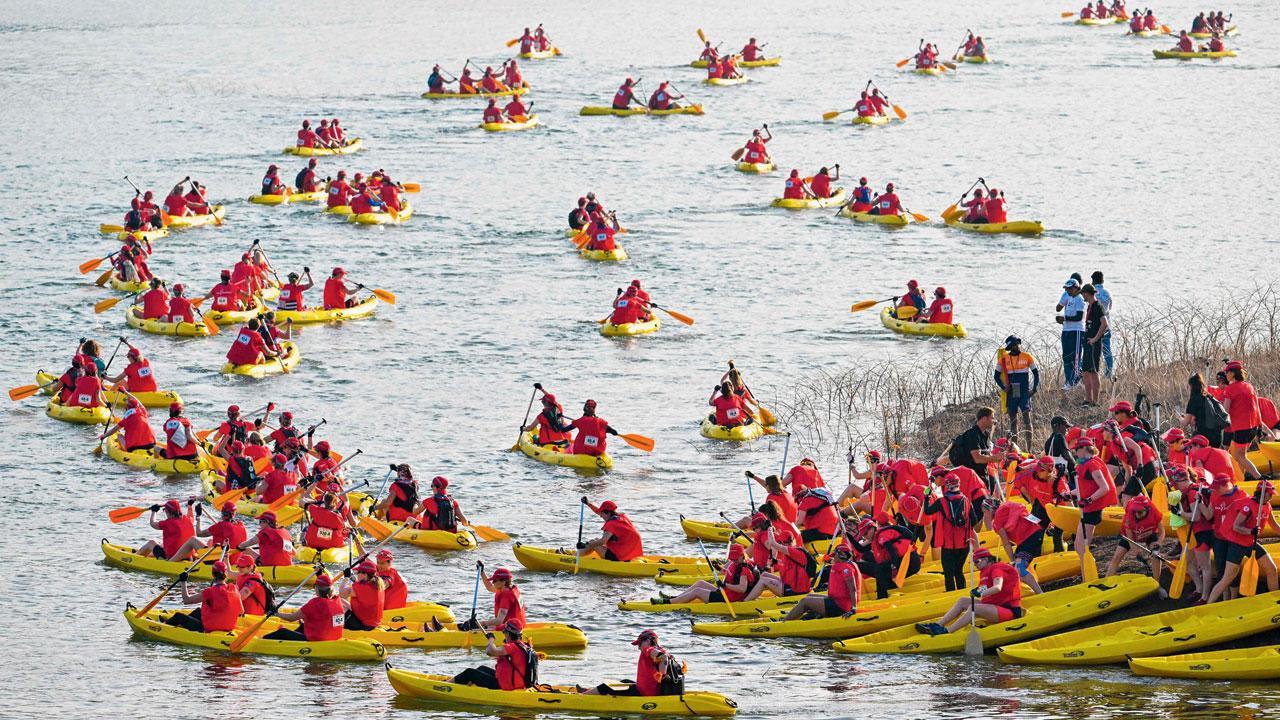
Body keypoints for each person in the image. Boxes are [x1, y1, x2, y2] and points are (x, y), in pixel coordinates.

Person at [915, 548, 1022, 635]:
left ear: (986, 559)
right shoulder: (985, 571)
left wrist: (980, 593)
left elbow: (997, 587)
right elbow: (985, 588)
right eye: (973, 562)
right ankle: (939, 625)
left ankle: (947, 631)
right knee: (962, 601)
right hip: (996, 605)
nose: (975, 565)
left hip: (1009, 610)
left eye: (977, 562)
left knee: (973, 608)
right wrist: (977, 590)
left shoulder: (997, 569)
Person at [580, 630, 680, 696]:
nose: (639, 647)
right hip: (652, 689)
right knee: (625, 681)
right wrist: (663, 675)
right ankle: (588, 690)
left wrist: (662, 674)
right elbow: (664, 658)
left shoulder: (647, 649)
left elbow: (663, 658)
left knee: (608, 686)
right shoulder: (664, 651)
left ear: (648, 641)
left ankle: (584, 696)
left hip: (644, 692)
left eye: (639, 644)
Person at [654, 543, 757, 606]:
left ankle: (668, 603)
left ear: (741, 556)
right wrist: (719, 568)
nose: (732, 560)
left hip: (728, 598)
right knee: (700, 583)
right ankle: (675, 598)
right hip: (725, 592)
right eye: (732, 558)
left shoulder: (744, 568)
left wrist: (726, 585)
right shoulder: (739, 562)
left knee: (697, 591)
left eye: (734, 558)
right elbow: (732, 575)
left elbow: (742, 588)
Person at [1071, 438, 1117, 577]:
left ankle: (1088, 575)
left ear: (1083, 449)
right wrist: (1068, 494)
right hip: (1087, 508)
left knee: (1081, 545)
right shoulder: (1085, 463)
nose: (1075, 453)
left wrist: (1088, 500)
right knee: (1079, 545)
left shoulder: (1092, 464)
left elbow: (1105, 488)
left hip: (1092, 510)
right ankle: (1086, 573)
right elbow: (1084, 487)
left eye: (1076, 450)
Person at [781, 542, 862, 621]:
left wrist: (853, 608)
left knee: (804, 602)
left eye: (834, 556)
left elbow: (853, 589)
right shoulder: (846, 564)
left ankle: (784, 622)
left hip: (840, 606)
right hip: (836, 601)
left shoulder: (846, 569)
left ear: (841, 555)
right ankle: (799, 616)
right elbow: (836, 562)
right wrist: (828, 560)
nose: (833, 558)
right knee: (809, 597)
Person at [161, 560, 244, 633]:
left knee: (178, 616)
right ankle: (181, 625)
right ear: (226, 574)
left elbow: (186, 600)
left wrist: (183, 582)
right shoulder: (234, 588)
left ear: (213, 575)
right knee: (198, 611)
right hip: (229, 627)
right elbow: (241, 611)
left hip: (209, 628)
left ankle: (164, 626)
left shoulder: (209, 592)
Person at [926, 472, 977, 590]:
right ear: (959, 484)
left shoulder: (941, 501)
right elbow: (974, 520)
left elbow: (928, 511)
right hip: (963, 543)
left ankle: (951, 596)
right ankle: (962, 593)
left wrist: (926, 497)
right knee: (959, 571)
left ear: (946, 485)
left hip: (948, 544)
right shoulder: (966, 500)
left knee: (949, 574)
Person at [452, 620, 537, 690]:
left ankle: (445, 685)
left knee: (469, 672)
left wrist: (491, 639)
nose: (504, 634)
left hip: (506, 685)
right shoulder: (524, 645)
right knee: (481, 668)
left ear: (508, 633)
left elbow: (490, 651)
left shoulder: (512, 647)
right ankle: (467, 687)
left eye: (504, 632)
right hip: (517, 682)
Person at [262, 573, 345, 641]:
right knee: (303, 626)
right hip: (334, 637)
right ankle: (288, 641)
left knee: (282, 632)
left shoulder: (314, 603)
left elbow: (291, 618)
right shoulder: (338, 600)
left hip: (317, 639)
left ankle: (262, 641)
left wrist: (275, 613)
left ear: (317, 588)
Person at [1221, 360, 1267, 480]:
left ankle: (1260, 478)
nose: (1225, 374)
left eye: (1227, 372)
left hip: (1242, 428)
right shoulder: (1249, 386)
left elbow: (1225, 410)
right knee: (1242, 455)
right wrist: (1260, 427)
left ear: (1233, 373)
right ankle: (1242, 479)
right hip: (1253, 427)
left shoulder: (1230, 389)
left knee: (1238, 455)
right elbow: (1256, 407)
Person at [992, 500, 1046, 594]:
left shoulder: (997, 519)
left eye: (984, 512)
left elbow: (1006, 543)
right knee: (1017, 569)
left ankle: (1040, 593)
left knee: (1019, 568)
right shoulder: (1008, 505)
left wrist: (1012, 560)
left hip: (1029, 539)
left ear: (989, 511)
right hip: (1034, 535)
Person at [578, 498, 643, 561]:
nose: (600, 516)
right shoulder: (621, 517)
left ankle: (575, 558)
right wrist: (588, 503)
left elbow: (603, 541)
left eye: (602, 514)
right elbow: (598, 511)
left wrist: (585, 545)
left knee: (594, 544)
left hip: (620, 556)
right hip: (630, 553)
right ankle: (578, 554)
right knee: (595, 541)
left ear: (608, 513)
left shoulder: (611, 524)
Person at [469, 562, 526, 631]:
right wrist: (482, 572)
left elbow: (499, 620)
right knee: (480, 626)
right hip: (517, 625)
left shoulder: (506, 595)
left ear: (504, 582)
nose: (493, 582)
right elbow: (490, 587)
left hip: (512, 629)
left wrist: (479, 623)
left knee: (476, 628)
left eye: (495, 580)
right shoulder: (508, 588)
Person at [1079, 284, 1109, 406]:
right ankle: (1088, 399)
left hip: (1094, 344)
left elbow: (1104, 324)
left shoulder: (1098, 306)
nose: (1082, 296)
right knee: (1085, 371)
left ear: (1086, 293)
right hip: (1087, 343)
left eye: (1083, 294)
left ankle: (1095, 401)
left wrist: (1095, 339)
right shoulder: (1089, 307)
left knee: (1093, 371)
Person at [1056, 277, 1087, 390]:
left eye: (1070, 289)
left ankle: (1074, 381)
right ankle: (1069, 380)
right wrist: (1061, 319)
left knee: (1075, 357)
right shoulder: (1068, 298)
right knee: (1066, 357)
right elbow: (1058, 308)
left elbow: (1079, 317)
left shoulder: (1080, 299)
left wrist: (1064, 318)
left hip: (1077, 330)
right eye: (1066, 289)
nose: (1068, 291)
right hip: (1066, 330)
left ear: (1076, 288)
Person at [337, 560, 386, 630]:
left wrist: (346, 578)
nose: (357, 574)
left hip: (363, 625)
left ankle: (333, 628)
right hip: (373, 623)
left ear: (365, 574)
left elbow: (342, 593)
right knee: (341, 601)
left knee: (337, 602)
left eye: (358, 572)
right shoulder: (378, 584)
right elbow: (361, 589)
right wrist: (352, 578)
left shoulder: (361, 587)